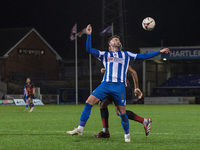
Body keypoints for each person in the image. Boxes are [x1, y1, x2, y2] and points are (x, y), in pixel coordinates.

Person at [67, 24, 170, 142]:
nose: (117, 40)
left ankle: (127, 136)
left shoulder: (126, 55)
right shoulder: (105, 55)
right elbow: (89, 50)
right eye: (115, 39)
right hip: (105, 85)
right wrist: (89, 35)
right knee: (90, 103)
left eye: (118, 39)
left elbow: (143, 56)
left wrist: (159, 51)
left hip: (119, 87)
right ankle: (81, 128)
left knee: (121, 113)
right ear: (110, 45)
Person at [93, 66, 150, 138]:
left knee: (118, 111)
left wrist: (137, 87)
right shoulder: (111, 58)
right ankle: (105, 132)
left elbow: (133, 72)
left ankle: (145, 121)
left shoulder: (121, 57)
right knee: (103, 105)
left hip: (120, 86)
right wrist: (105, 70)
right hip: (114, 86)